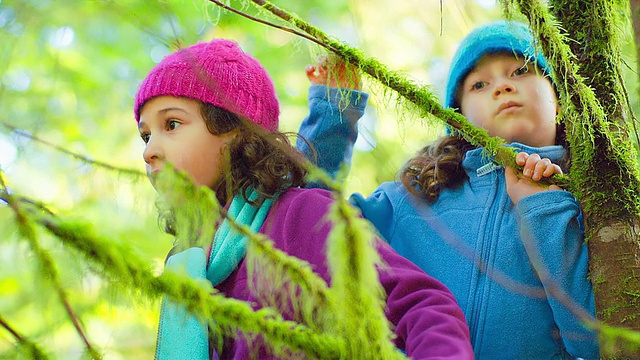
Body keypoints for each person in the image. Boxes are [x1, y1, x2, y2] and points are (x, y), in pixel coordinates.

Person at [133, 38, 473, 359]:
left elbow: (419, 304)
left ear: (236, 130)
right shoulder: (187, 263)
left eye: (172, 124)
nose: (150, 151)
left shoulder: (302, 215)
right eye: (145, 135)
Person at [297, 21, 600, 359]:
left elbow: (596, 342)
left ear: (558, 102)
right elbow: (309, 225)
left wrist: (545, 210)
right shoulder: (414, 197)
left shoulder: (592, 205)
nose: (502, 86)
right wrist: (333, 115)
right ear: (460, 119)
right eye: (480, 84)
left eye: (520, 71)